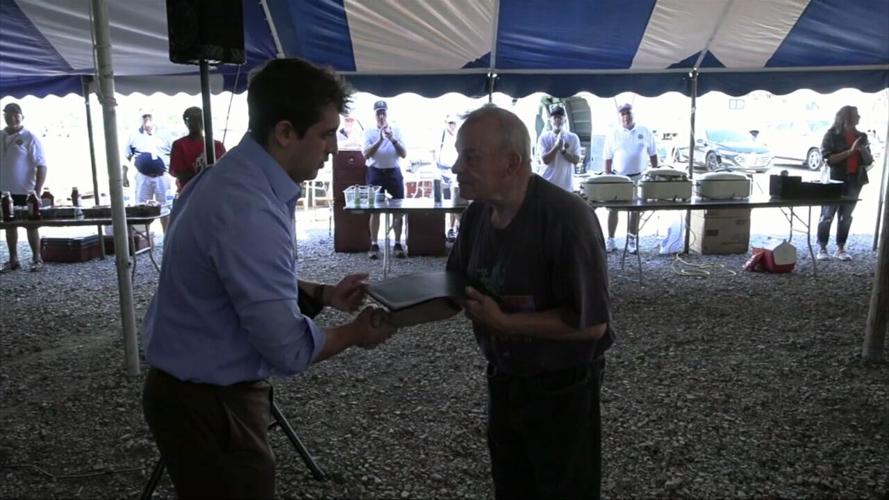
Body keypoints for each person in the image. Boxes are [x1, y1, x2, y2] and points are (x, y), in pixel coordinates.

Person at [141, 58, 397, 499]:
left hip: (189, 394)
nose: (333, 148)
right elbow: (288, 348)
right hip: (210, 404)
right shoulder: (248, 207)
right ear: (284, 133)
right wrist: (356, 333)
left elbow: (240, 281)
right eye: (325, 133)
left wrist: (324, 294)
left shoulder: (228, 181)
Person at [446, 105, 614, 499]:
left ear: (511, 163)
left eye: (470, 157)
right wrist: (390, 310)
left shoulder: (568, 220)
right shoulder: (477, 216)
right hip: (505, 377)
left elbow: (592, 324)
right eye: (459, 155)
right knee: (512, 484)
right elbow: (453, 288)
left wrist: (506, 324)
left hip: (562, 387)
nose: (456, 168)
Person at [816, 105, 872, 261]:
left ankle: (840, 248)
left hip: (855, 179)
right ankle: (822, 247)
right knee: (827, 214)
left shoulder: (862, 136)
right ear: (847, 117)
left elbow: (868, 161)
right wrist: (850, 151)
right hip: (834, 180)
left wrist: (863, 151)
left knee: (846, 216)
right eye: (856, 114)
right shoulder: (832, 135)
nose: (859, 117)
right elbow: (828, 159)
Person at [602, 103, 658, 254]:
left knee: (635, 210)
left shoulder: (644, 131)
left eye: (628, 113)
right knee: (613, 209)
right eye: (623, 114)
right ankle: (611, 240)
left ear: (633, 114)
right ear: (619, 117)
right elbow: (607, 157)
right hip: (618, 178)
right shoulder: (613, 133)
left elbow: (653, 154)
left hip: (639, 177)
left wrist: (655, 174)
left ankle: (632, 239)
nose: (626, 116)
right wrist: (607, 176)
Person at [0, 102, 47, 272]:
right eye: (7, 114)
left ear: (22, 116)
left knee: (31, 226)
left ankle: (37, 258)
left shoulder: (30, 137)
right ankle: (13, 259)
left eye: (16, 114)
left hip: (26, 191)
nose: (11, 117)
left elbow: (42, 165)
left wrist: (38, 191)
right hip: (4, 192)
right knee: (8, 225)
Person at [363, 100, 406, 259]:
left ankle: (397, 243)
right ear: (374, 115)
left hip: (394, 171)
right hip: (375, 172)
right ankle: (374, 244)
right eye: (378, 113)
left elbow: (403, 154)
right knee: (375, 210)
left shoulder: (397, 130)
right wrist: (380, 139)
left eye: (383, 113)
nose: (381, 116)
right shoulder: (368, 131)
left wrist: (392, 139)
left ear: (387, 114)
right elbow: (366, 154)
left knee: (398, 209)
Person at [123, 112, 172, 230]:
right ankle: (143, 239)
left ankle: (167, 237)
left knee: (165, 208)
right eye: (144, 119)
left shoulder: (165, 134)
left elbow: (174, 153)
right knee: (141, 209)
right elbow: (126, 157)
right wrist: (124, 175)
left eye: (149, 118)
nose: (147, 121)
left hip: (162, 176)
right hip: (143, 177)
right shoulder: (133, 135)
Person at [169, 106, 226, 193]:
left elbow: (224, 171)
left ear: (204, 121)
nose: (195, 122)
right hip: (189, 193)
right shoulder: (179, 145)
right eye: (190, 119)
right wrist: (206, 174)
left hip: (214, 192)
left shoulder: (217, 145)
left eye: (199, 119)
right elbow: (178, 173)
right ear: (185, 122)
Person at [537, 104, 581, 192]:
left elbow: (576, 160)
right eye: (555, 117)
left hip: (566, 188)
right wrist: (556, 147)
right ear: (550, 120)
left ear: (564, 119)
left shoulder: (573, 137)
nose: (557, 120)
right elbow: (545, 160)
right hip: (548, 185)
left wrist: (563, 151)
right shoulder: (544, 138)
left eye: (560, 117)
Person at [436, 114, 461, 241]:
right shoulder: (440, 135)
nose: (452, 125)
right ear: (446, 123)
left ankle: (451, 228)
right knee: (439, 202)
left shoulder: (459, 136)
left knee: (454, 201)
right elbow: (434, 152)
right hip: (441, 170)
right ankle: (439, 229)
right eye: (450, 123)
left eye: (454, 123)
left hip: (454, 172)